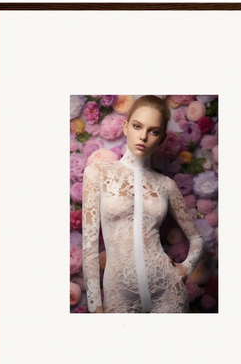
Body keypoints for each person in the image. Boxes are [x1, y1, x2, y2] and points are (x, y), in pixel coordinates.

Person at [82, 95, 205, 313]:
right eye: (138, 126)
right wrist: (94, 305)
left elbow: (196, 238)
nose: (144, 137)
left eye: (153, 131)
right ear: (126, 126)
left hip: (168, 289)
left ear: (161, 137)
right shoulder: (98, 173)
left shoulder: (166, 185)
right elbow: (89, 246)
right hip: (119, 293)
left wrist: (186, 268)